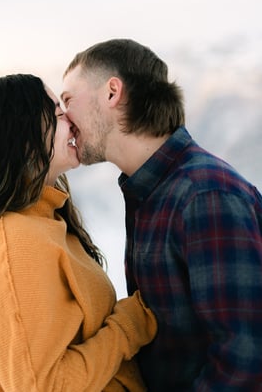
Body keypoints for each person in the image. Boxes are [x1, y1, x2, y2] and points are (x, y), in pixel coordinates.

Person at [0, 73, 157, 392]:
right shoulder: (15, 241)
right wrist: (128, 327)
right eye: (57, 114)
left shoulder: (46, 222)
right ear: (22, 140)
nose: (71, 121)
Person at [61, 39, 262, 391]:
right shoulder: (150, 193)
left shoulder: (205, 195)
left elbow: (245, 358)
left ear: (112, 92)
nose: (64, 119)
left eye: (67, 101)